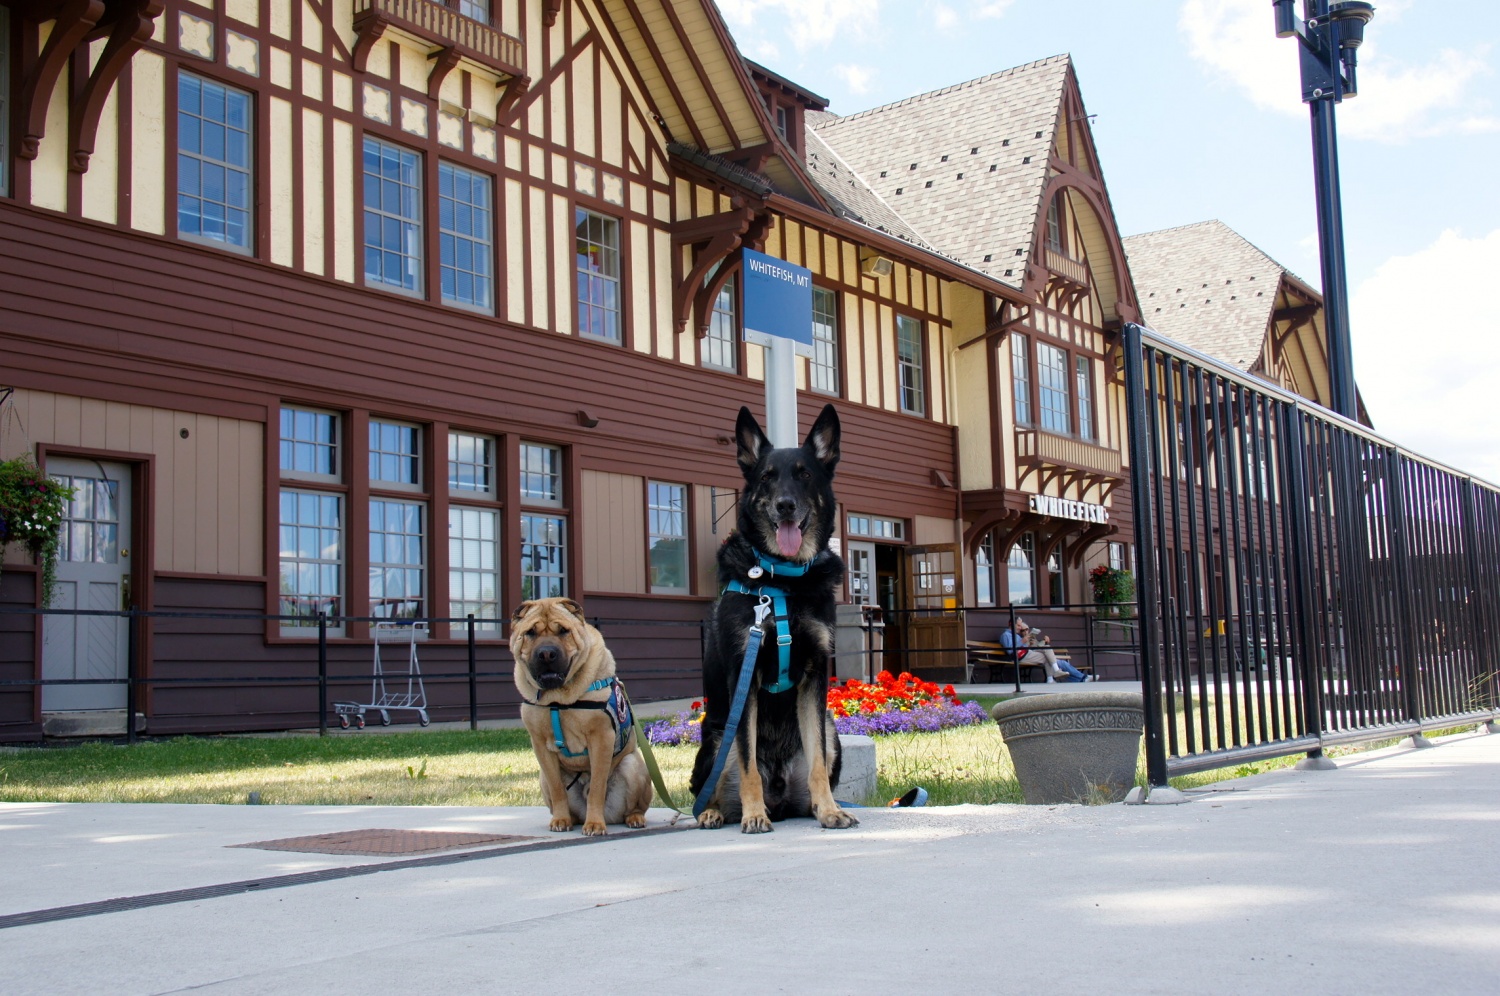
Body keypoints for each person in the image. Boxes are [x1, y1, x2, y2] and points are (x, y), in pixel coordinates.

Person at [999, 617, 1092, 683]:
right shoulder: (1006, 635)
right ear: (1011, 624)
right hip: (1021, 657)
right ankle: (1056, 675)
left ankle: (1053, 678)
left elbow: (1027, 647)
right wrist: (1023, 641)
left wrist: (1036, 642)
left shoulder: (1016, 635)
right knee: (1055, 660)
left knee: (1047, 651)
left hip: (1028, 654)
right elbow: (1010, 650)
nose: (1020, 628)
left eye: (1021, 627)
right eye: (1018, 626)